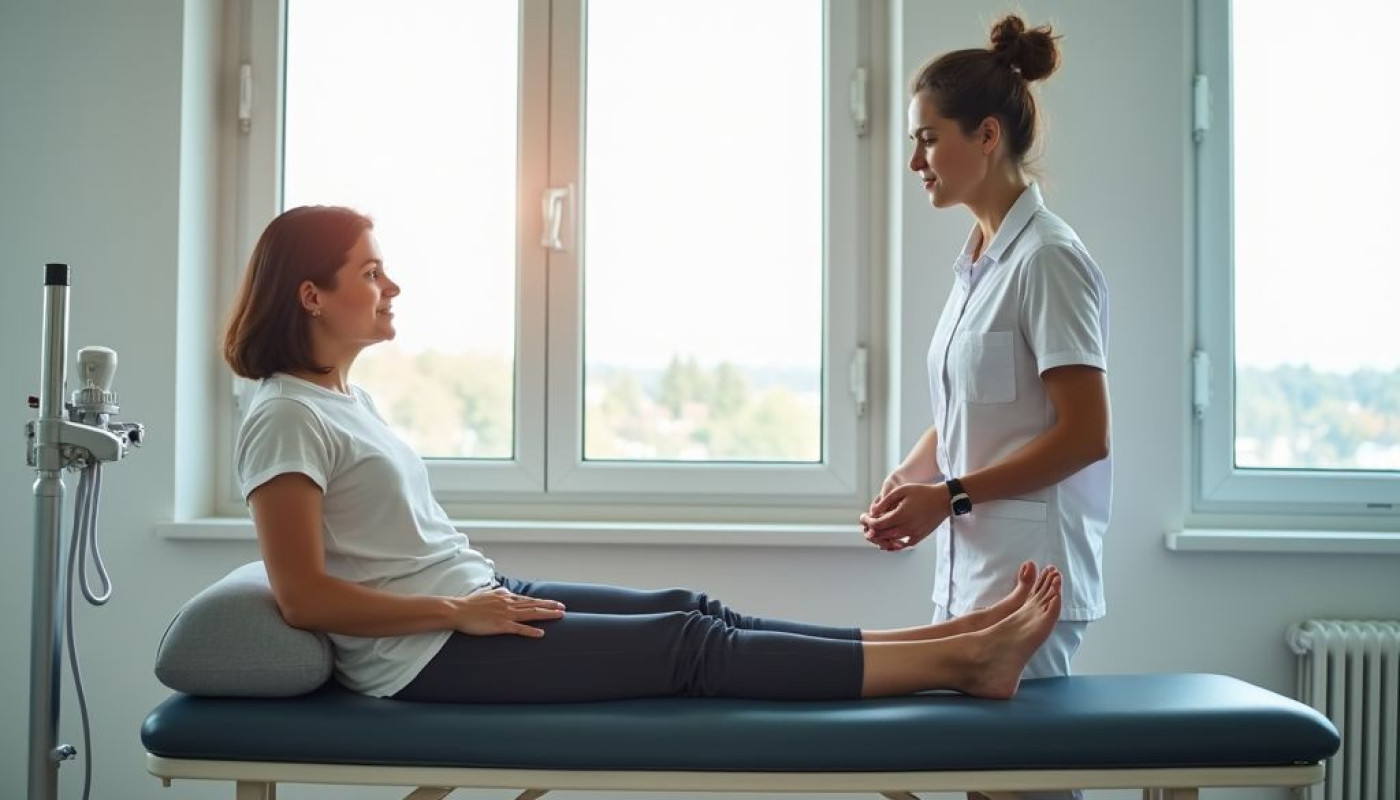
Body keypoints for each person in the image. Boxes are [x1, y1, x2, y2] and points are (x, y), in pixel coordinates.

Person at [221, 203, 1063, 705]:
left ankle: (951, 636)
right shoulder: (285, 417)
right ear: (311, 295)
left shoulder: (344, 399)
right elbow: (302, 597)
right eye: (371, 272)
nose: (391, 287)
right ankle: (961, 659)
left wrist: (472, 600)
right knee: (688, 647)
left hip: (474, 602)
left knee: (692, 607)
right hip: (426, 653)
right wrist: (454, 614)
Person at [859, 14, 1110, 799]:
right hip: (972, 571)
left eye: (929, 139)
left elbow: (1085, 435)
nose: (914, 161)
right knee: (982, 786)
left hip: (1030, 577)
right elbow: (976, 402)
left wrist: (952, 496)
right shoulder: (978, 261)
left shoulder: (1050, 260)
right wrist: (912, 475)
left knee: (1017, 791)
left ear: (988, 134)